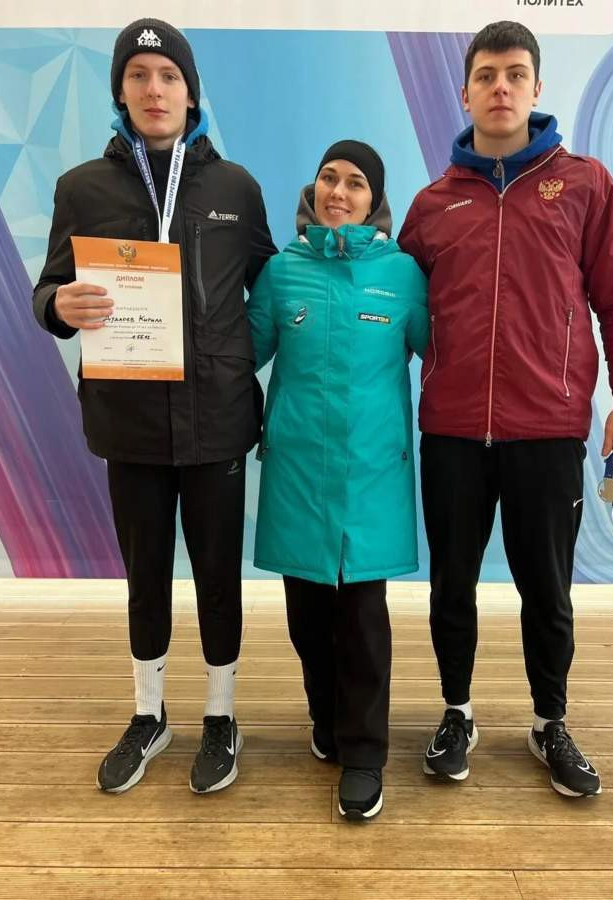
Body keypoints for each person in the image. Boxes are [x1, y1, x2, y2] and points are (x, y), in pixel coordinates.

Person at [398, 21, 613, 798]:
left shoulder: (584, 184)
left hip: (546, 428)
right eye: (486, 75)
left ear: (536, 88)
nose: (500, 88)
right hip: (450, 431)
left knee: (546, 590)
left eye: (514, 74)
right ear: (465, 91)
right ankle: (456, 712)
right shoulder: (432, 203)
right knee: (451, 585)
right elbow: (394, 311)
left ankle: (549, 722)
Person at [32, 18, 276, 794]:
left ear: (190, 92)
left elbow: (271, 290)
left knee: (217, 576)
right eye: (137, 75)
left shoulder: (235, 188)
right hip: (128, 421)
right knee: (144, 576)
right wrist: (56, 305)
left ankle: (221, 714)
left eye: (168, 75)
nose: (153, 89)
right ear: (120, 91)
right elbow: (48, 288)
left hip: (217, 422)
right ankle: (149, 713)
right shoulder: (82, 188)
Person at [247, 140, 428, 819]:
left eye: (355, 183)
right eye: (329, 178)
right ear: (313, 189)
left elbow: (448, 353)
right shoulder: (281, 273)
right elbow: (237, 354)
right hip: (297, 471)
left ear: (373, 200)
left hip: (371, 474)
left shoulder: (402, 275)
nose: (339, 192)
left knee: (361, 621)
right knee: (306, 618)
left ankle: (364, 753)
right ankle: (325, 718)